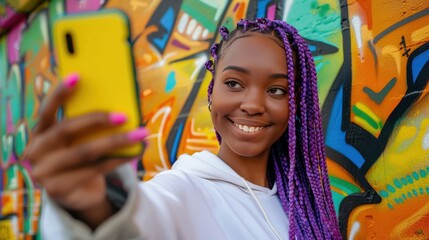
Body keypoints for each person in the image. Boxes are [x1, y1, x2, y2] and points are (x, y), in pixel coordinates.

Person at [28, 18, 342, 239]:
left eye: (276, 90)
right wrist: (95, 208)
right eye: (234, 83)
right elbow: (139, 223)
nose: (253, 104)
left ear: (296, 107)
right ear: (211, 95)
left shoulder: (302, 205)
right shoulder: (183, 191)